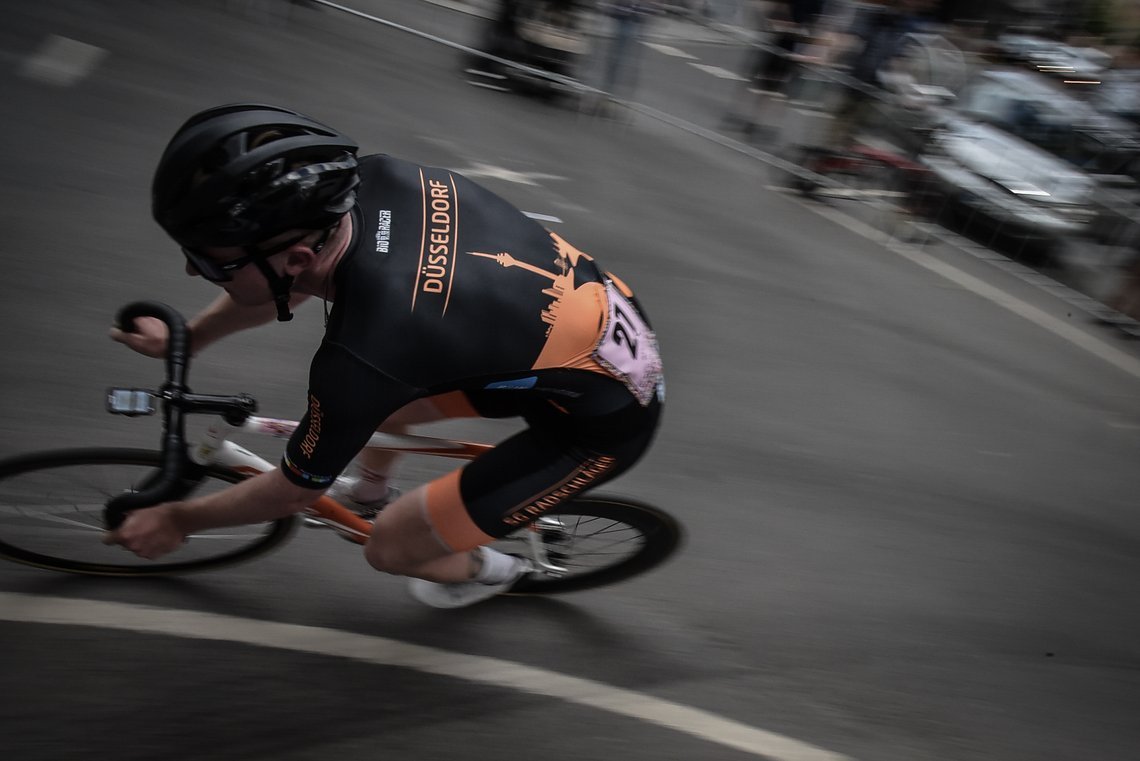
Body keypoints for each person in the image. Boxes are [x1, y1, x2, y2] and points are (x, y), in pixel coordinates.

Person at [104, 104, 665, 607]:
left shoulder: (367, 355)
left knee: (392, 547)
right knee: (393, 403)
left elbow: (293, 491)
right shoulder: (378, 179)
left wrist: (180, 518)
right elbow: (292, 282)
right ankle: (372, 491)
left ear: (299, 256)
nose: (190, 272)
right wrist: (188, 340)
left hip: (603, 425)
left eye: (209, 264)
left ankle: (495, 570)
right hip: (574, 333)